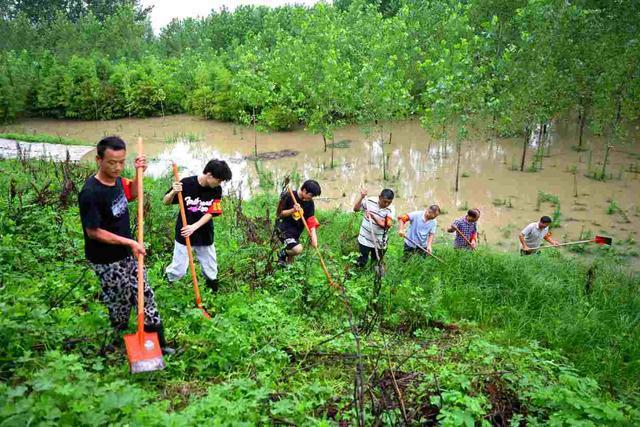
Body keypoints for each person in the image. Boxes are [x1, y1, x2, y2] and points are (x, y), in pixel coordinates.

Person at [78, 136, 174, 354]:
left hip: (128, 254)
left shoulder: (119, 181)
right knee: (120, 304)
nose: (117, 167)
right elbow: (93, 231)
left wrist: (140, 172)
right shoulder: (91, 193)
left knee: (145, 295)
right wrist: (129, 241)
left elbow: (133, 194)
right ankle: (117, 343)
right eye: (112, 162)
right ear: (98, 160)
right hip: (107, 260)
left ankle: (159, 344)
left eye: (121, 162)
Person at [163, 159, 232, 292]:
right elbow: (166, 201)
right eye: (219, 180)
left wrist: (194, 227)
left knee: (211, 269)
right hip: (184, 234)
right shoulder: (186, 184)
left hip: (204, 234)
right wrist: (173, 192)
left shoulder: (216, 189)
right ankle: (165, 286)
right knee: (178, 270)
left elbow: (212, 212)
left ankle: (212, 294)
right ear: (209, 175)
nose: (220, 183)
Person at [276, 180, 322, 266]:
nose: (311, 198)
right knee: (297, 249)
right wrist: (293, 210)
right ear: (304, 190)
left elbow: (311, 220)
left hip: (295, 232)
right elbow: (279, 214)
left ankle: (286, 271)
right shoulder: (289, 195)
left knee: (291, 262)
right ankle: (281, 253)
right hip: (283, 229)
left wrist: (314, 238)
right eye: (311, 195)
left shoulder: (310, 203)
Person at [353, 188, 395, 267]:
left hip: (379, 241)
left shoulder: (391, 209)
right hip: (364, 238)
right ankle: (358, 275)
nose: (386, 204)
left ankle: (374, 276)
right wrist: (361, 197)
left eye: (389, 202)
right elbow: (356, 209)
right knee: (362, 260)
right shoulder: (369, 201)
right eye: (384, 201)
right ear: (379, 197)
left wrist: (373, 217)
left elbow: (386, 226)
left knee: (376, 262)